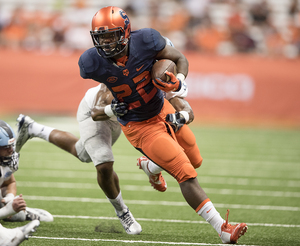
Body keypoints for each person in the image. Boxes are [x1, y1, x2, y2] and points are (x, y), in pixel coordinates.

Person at [77, 6, 248, 244]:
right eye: (101, 37)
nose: (105, 43)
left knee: (196, 158)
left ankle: (152, 166)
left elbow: (179, 58)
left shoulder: (147, 41)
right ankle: (223, 229)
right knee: (186, 173)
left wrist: (179, 83)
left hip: (162, 109)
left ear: (125, 32)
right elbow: (99, 104)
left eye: (111, 36)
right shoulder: (92, 63)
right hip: (139, 126)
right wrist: (110, 109)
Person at [16, 83, 142, 235]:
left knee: (82, 153)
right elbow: (96, 112)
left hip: (116, 118)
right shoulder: (114, 82)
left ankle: (33, 128)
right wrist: (112, 109)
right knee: (103, 161)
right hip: (95, 112)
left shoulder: (153, 78)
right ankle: (122, 211)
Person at [0, 120, 53, 223]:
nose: (11, 150)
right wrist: (8, 210)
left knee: (18, 216)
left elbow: (9, 182)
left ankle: (22, 212)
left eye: (11, 145)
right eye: (6, 147)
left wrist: (9, 198)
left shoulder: (5, 162)